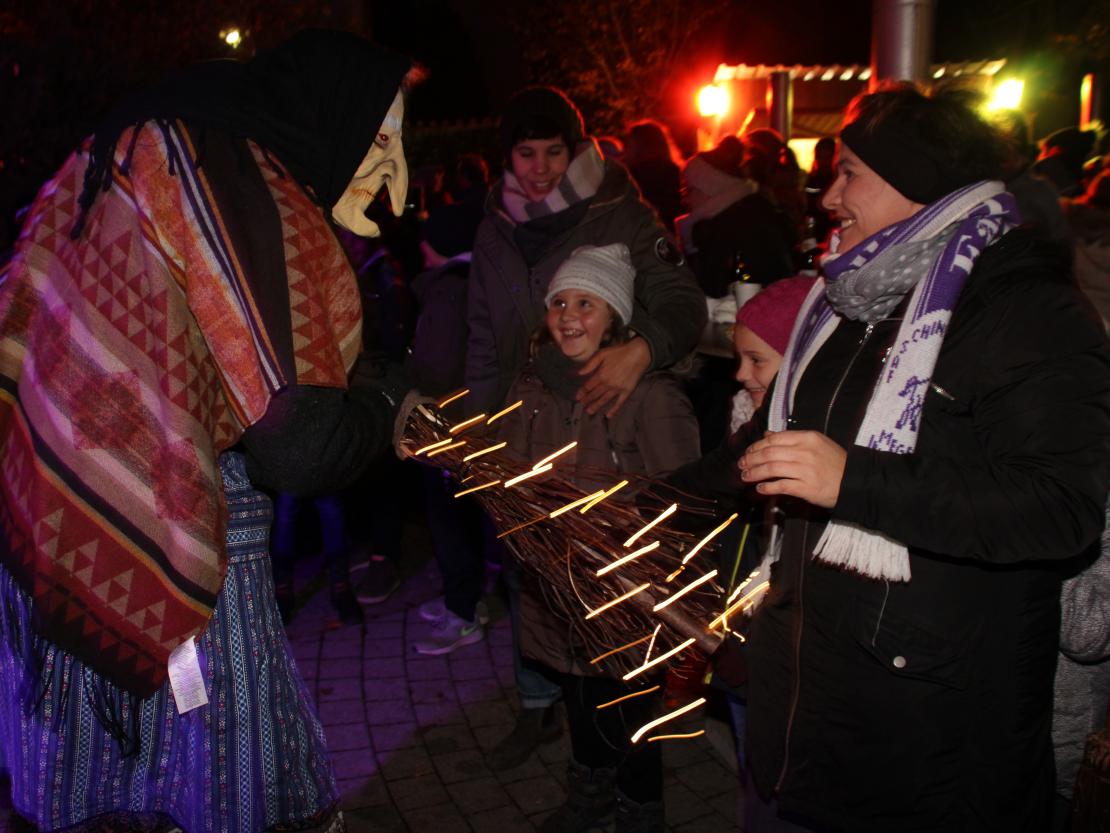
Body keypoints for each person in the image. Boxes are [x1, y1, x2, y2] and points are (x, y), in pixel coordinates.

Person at [0, 30, 413, 832]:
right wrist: (385, 403)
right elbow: (300, 440)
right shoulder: (235, 173)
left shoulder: (131, 143)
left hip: (53, 522)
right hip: (182, 534)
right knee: (220, 777)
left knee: (106, 782)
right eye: (383, 134)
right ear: (336, 113)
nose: (394, 171)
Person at [672, 83, 1110, 832]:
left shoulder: (1026, 309)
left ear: (917, 183)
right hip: (829, 694)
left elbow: (1058, 509)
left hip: (936, 732)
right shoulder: (856, 299)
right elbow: (768, 445)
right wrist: (632, 497)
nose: (828, 195)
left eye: (849, 175)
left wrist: (855, 480)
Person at [465, 85, 706, 770]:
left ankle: (615, 747)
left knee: (602, 588)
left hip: (603, 419)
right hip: (528, 415)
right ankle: (540, 705)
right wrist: (485, 436)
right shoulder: (495, 224)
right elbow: (484, 335)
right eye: (524, 153)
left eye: (553, 152)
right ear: (506, 157)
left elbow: (683, 303)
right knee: (533, 575)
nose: (538, 169)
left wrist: (643, 347)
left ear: (576, 150)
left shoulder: (620, 210)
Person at [497, 243, 701, 833]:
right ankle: (588, 795)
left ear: (615, 314)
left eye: (586, 301)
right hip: (556, 583)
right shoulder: (531, 386)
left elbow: (683, 497)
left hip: (624, 592)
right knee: (578, 697)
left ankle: (640, 812)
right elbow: (511, 470)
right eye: (559, 301)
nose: (568, 314)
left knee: (631, 714)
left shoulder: (650, 396)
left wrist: (646, 562)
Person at [676, 135, 798, 297]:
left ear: (712, 190)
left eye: (689, 190)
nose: (686, 199)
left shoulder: (737, 229)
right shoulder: (746, 215)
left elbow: (718, 290)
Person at [623, 119, 686, 233]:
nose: (624, 151)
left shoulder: (633, 178)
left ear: (640, 147)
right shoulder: (677, 173)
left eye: (628, 145)